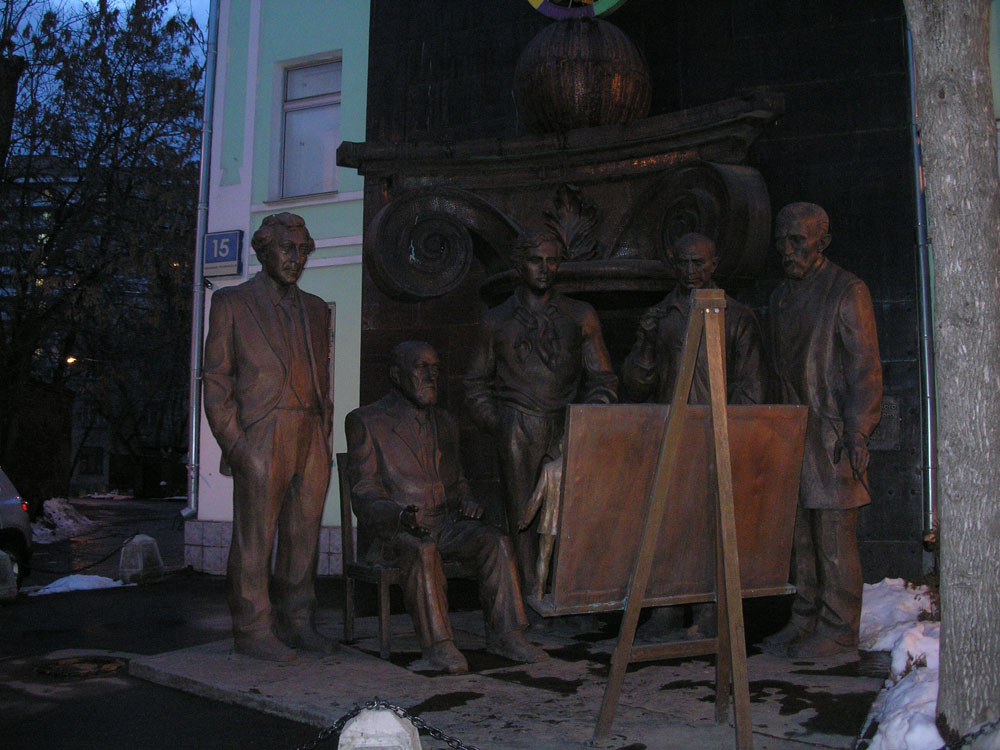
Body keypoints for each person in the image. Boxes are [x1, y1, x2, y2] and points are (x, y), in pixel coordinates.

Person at [345, 341, 548, 674]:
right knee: (422, 548)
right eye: (421, 368)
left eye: (436, 369)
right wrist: (397, 516)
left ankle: (507, 636)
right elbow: (364, 493)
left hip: (446, 524)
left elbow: (459, 480)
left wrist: (467, 500)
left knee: (495, 541)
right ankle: (438, 646)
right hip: (396, 533)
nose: (432, 376)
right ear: (396, 375)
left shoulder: (445, 422)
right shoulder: (367, 421)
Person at [203, 213, 334, 662]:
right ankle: (253, 628)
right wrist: (236, 445)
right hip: (263, 432)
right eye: (287, 249)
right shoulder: (232, 303)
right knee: (255, 539)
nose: (296, 258)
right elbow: (216, 380)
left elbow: (322, 377)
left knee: (303, 535)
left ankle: (297, 620)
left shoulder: (316, 309)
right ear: (264, 251)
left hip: (310, 431)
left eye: (303, 250)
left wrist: (323, 433)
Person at [622, 231, 765, 640]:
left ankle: (710, 610)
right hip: (671, 437)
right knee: (667, 526)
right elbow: (636, 386)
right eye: (683, 262)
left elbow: (751, 387)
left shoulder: (737, 317)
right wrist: (646, 343)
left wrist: (733, 438)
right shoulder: (661, 315)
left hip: (717, 437)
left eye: (698, 262)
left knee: (713, 529)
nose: (689, 271)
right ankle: (666, 608)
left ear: (714, 263)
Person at [464, 231, 618, 591]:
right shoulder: (496, 320)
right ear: (519, 265)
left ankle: (568, 596)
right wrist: (500, 424)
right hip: (517, 429)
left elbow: (604, 380)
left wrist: (582, 425)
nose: (545, 268)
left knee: (572, 516)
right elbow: (474, 384)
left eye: (552, 260)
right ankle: (527, 599)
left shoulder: (580, 315)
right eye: (536, 260)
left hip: (568, 428)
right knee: (523, 518)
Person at [763, 202, 882, 658]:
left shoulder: (848, 290)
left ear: (823, 242)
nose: (787, 250)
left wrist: (858, 429)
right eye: (781, 241)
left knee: (833, 540)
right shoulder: (779, 297)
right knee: (800, 539)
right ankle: (804, 617)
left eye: (798, 240)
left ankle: (838, 629)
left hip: (832, 435)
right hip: (790, 433)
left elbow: (866, 369)